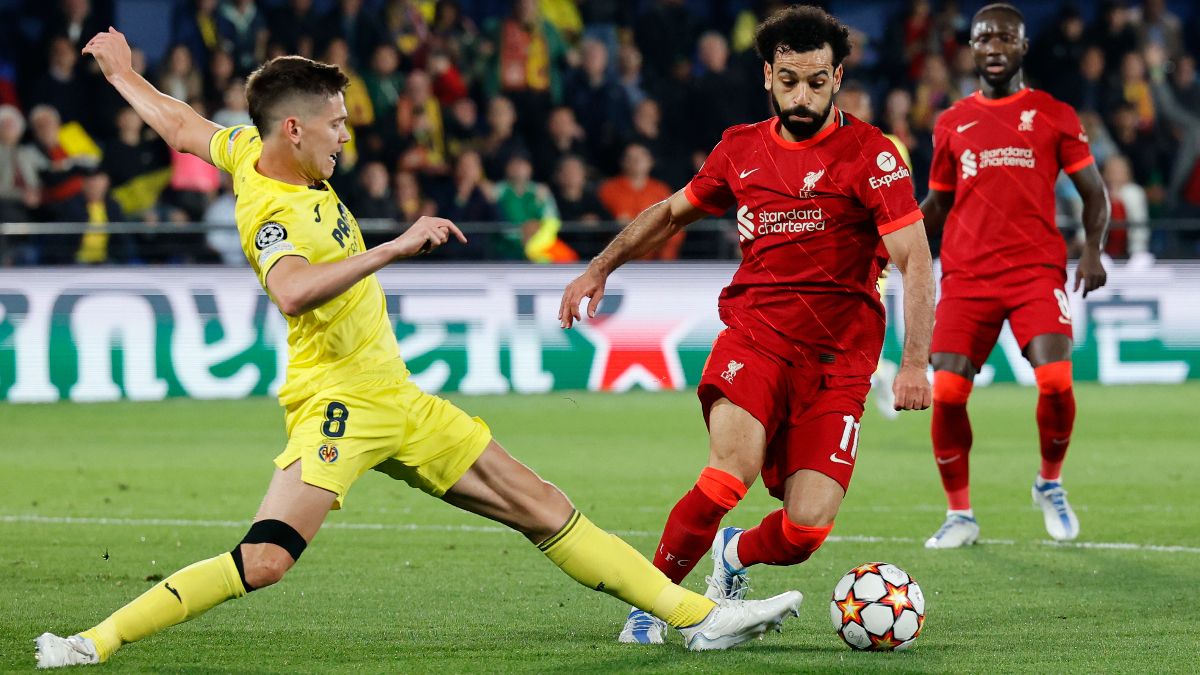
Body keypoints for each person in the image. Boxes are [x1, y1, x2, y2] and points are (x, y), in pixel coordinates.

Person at [33, 27, 804, 668]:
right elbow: (293, 289)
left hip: (396, 396)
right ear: (294, 129)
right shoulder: (272, 209)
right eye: (335, 122)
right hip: (340, 404)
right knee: (266, 559)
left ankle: (700, 617)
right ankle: (89, 642)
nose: (347, 132)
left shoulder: (247, 149)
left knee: (542, 504)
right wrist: (394, 248)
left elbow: (178, 125)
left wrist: (125, 74)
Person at [560, 6, 934, 645]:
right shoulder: (740, 148)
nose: (803, 95)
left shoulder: (872, 156)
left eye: (817, 82)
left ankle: (734, 554)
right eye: (789, 80)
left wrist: (917, 361)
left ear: (838, 77)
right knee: (728, 470)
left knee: (806, 529)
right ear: (768, 75)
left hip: (839, 363)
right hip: (756, 338)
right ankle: (652, 605)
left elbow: (915, 259)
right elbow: (671, 213)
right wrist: (599, 266)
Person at [919, 4, 1110, 549]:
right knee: (949, 391)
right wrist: (891, 237)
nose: (994, 46)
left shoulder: (1053, 113)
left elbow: (1095, 193)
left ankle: (1049, 482)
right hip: (967, 274)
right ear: (972, 49)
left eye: (1006, 37)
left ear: (1023, 48)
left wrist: (1092, 252)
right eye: (983, 38)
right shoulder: (952, 121)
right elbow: (938, 202)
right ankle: (961, 515)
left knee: (1055, 380)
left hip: (1034, 270)